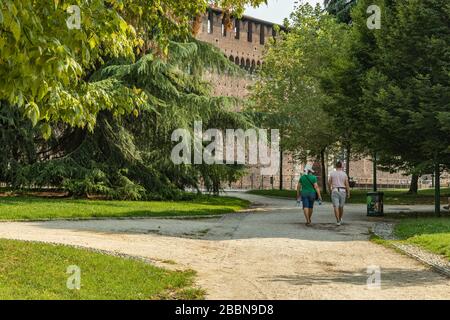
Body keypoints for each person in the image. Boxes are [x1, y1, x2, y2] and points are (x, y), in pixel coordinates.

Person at [328, 161, 350, 226]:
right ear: (341, 166)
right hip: (343, 190)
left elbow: (329, 183)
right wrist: (348, 192)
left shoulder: (332, 173)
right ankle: (340, 218)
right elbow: (347, 184)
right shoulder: (344, 174)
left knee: (336, 206)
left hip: (335, 190)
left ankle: (338, 220)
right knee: (341, 206)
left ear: (336, 166)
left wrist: (330, 190)